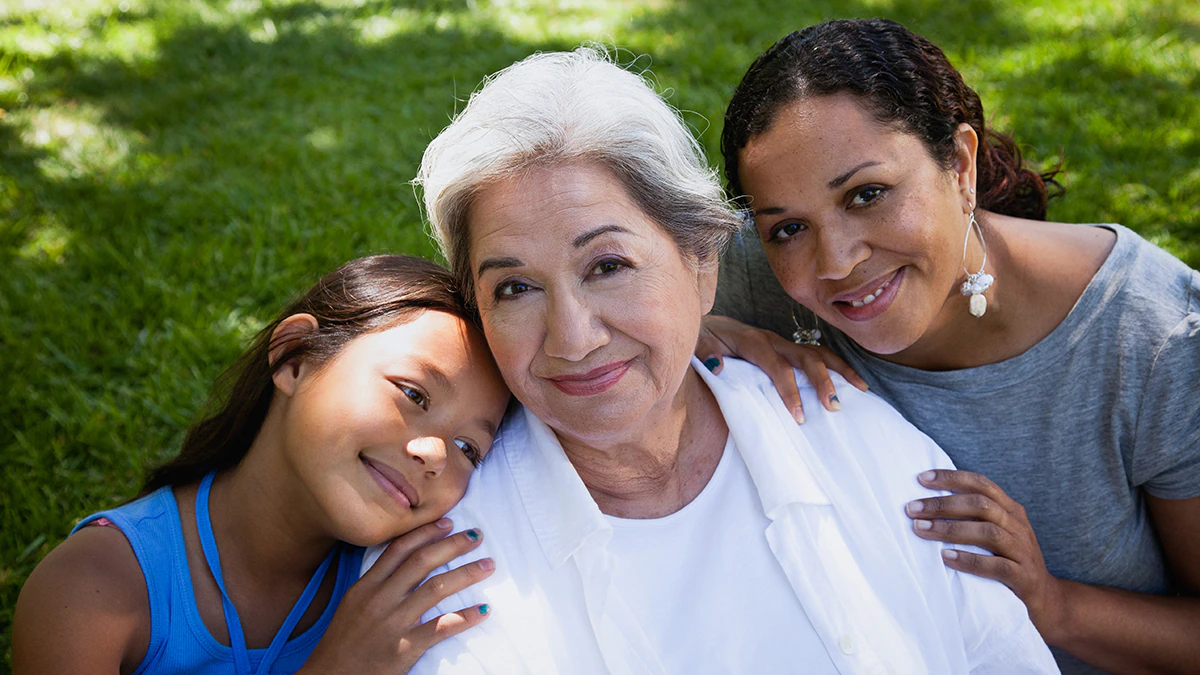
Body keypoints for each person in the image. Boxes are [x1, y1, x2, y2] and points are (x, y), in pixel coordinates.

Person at [372, 46, 1059, 674]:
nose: (572, 339)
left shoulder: (857, 443)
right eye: (515, 287)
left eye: (608, 265)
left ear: (702, 265)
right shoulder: (440, 564)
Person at [703, 18, 1200, 675]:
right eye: (788, 226)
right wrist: (703, 335)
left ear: (959, 165)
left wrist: (1053, 605)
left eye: (868, 194)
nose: (838, 261)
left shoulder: (1157, 333)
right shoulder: (766, 277)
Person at [13, 255, 512, 674]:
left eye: (469, 449)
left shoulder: (395, 597)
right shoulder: (91, 589)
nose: (435, 454)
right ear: (294, 358)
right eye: (413, 393)